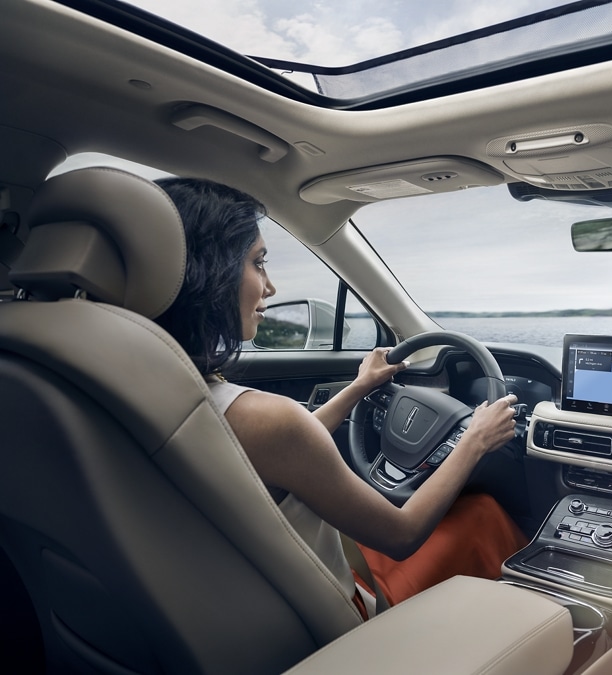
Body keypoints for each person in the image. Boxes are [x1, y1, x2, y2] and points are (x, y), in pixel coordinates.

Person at [154, 177, 527, 618]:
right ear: (208, 273)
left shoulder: (148, 386)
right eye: (259, 263)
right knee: (482, 514)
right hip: (336, 611)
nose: (270, 288)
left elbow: (282, 447)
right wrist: (475, 440)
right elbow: (402, 534)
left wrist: (359, 387)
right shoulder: (261, 419)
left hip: (252, 594)